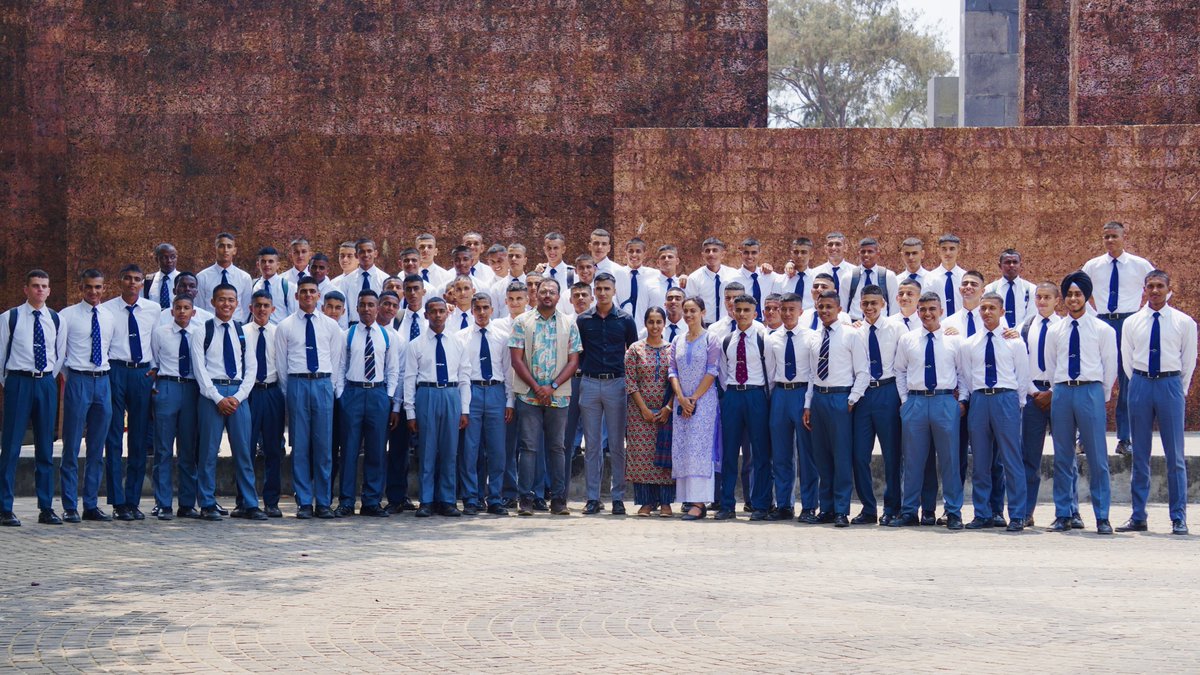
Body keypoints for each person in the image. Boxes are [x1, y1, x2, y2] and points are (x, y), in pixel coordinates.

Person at [1117, 270, 1195, 535]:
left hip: (1170, 384)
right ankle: (1138, 515)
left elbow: (1189, 360)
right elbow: (1127, 359)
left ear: (1168, 288)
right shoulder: (1132, 322)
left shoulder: (1184, 322)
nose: (1155, 291)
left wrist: (1176, 389)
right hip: (1140, 384)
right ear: (1144, 289)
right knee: (1140, 454)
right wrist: (1140, 382)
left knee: (1175, 456)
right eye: (1150, 286)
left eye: (1160, 286)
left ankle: (1178, 517)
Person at [1043, 271, 1117, 535]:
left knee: (1097, 457)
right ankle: (1063, 513)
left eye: (1078, 293)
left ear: (1087, 296)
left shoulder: (1102, 329)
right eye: (1070, 294)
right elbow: (1051, 365)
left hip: (1090, 391)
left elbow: (1110, 366)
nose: (1073, 298)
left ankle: (1102, 516)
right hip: (1063, 391)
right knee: (1062, 455)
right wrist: (1059, 387)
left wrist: (1100, 394)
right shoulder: (1055, 330)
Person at [889, 292, 967, 530]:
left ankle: (953, 512)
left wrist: (961, 400)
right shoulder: (908, 340)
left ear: (941, 311)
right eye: (922, 310)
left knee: (950, 460)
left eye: (932, 309)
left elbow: (963, 373)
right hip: (916, 402)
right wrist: (904, 401)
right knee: (913, 460)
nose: (927, 314)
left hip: (944, 402)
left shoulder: (954, 340)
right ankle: (910, 510)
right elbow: (899, 371)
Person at [1081, 221, 1155, 457]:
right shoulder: (1093, 266)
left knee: (1127, 381)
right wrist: (1094, 317)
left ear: (1124, 237)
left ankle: (1125, 438)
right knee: (1092, 377)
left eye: (1114, 236)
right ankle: (1085, 438)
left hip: (1129, 322)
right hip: (1102, 322)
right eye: (1106, 237)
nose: (1110, 241)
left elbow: (1159, 288)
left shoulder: (1139, 264)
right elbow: (1078, 290)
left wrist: (1141, 316)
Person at [192, 284, 265, 521]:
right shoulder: (202, 330)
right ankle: (207, 502)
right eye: (222, 300)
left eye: (231, 300)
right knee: (208, 451)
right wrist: (217, 397)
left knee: (244, 451)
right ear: (213, 302)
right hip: (211, 394)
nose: (226, 304)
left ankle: (249, 503)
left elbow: (251, 367)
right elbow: (199, 369)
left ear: (237, 304)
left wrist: (238, 396)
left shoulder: (242, 331)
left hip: (237, 394)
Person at [509, 278, 580, 516]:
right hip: (528, 396)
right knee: (528, 447)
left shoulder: (569, 323)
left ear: (559, 296)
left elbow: (574, 361)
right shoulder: (522, 322)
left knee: (557, 448)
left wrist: (552, 386)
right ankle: (526, 500)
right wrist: (537, 387)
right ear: (535, 294)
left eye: (552, 291)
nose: (547, 295)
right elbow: (516, 359)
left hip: (558, 396)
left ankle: (559, 500)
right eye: (543, 291)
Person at [960, 292, 1030, 531]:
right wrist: (978, 395)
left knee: (1011, 459)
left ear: (1002, 312)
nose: (987, 312)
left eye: (992, 308)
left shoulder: (1014, 342)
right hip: (980, 400)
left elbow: (1022, 375)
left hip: (1006, 398)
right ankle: (983, 513)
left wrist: (1017, 402)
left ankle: (1018, 514)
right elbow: (967, 376)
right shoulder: (970, 344)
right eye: (983, 308)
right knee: (980, 461)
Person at [276, 277, 344, 519]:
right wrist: (290, 391)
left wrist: (330, 387)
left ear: (318, 296)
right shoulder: (285, 326)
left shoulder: (330, 326)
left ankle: (323, 501)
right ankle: (304, 501)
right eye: (303, 291)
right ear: (296, 296)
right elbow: (281, 364)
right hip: (297, 384)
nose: (307, 295)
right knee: (301, 446)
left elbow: (336, 360)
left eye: (312, 292)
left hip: (323, 384)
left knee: (324, 447)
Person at [576, 272, 639, 515]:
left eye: (606, 289)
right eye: (599, 289)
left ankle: (618, 498)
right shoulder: (583, 320)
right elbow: (578, 352)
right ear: (594, 292)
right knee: (591, 445)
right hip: (590, 383)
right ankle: (592, 498)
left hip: (617, 384)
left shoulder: (625, 320)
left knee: (616, 444)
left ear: (614, 291)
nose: (602, 293)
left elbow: (633, 353)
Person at [804, 290, 867, 527]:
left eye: (829, 307)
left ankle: (841, 509)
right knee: (822, 456)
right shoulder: (814, 338)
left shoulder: (851, 336)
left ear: (839, 309)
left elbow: (862, 372)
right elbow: (812, 374)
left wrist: (851, 399)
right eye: (821, 307)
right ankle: (826, 508)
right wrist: (808, 404)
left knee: (841, 456)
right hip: (819, 398)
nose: (824, 311)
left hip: (841, 398)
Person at [335, 290, 401, 518]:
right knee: (349, 450)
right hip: (353, 393)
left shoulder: (387, 336)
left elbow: (393, 370)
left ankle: (371, 501)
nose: (367, 309)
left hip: (378, 395)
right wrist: (342, 396)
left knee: (376, 451)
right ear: (357, 307)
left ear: (378, 307)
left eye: (371, 305)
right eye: (362, 304)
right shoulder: (348, 334)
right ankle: (345, 501)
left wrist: (389, 398)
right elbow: (340, 368)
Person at [56, 270, 115, 524]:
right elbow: (58, 353)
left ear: (104, 288)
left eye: (98, 287)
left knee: (97, 446)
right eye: (89, 287)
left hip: (103, 381)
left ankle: (90, 503)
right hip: (78, 379)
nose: (94, 292)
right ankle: (70, 505)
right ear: (81, 288)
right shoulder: (67, 315)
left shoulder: (109, 317)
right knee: (71, 445)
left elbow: (109, 348)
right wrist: (71, 377)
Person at [403, 297, 471, 517]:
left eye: (442, 311)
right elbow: (409, 379)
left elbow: (464, 377)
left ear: (447, 313)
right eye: (433, 312)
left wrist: (464, 409)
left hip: (451, 394)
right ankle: (427, 500)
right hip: (427, 394)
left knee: (450, 450)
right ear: (426, 315)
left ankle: (447, 500)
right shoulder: (416, 344)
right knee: (428, 449)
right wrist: (410, 412)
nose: (438, 315)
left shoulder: (458, 343)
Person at [102, 264, 159, 521]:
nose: (132, 283)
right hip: (116, 370)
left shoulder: (153, 310)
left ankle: (133, 501)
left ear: (141, 284)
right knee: (113, 437)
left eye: (137, 279)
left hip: (142, 374)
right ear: (120, 281)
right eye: (128, 278)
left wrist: (156, 369)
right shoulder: (107, 310)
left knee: (138, 439)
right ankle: (117, 501)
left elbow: (158, 341)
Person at [715, 295, 772, 520]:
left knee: (760, 452)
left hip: (756, 394)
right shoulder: (727, 340)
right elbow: (722, 371)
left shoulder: (763, 339)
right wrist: (729, 394)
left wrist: (760, 395)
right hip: (733, 396)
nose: (741, 314)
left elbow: (772, 371)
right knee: (729, 452)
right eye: (738, 310)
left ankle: (760, 504)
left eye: (746, 310)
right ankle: (727, 504)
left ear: (755, 313)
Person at [850, 285, 903, 525]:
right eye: (865, 303)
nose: (869, 308)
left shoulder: (896, 328)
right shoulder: (854, 331)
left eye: (874, 303)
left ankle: (892, 508)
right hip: (863, 396)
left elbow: (903, 365)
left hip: (888, 392)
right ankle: (868, 508)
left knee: (891, 454)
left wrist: (903, 399)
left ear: (883, 303)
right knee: (859, 454)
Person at [457, 292, 513, 516]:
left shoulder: (502, 336)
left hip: (496, 391)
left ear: (492, 309)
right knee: (470, 449)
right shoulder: (461, 337)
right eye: (477, 308)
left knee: (497, 449)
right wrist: (463, 405)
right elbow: (461, 372)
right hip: (472, 390)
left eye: (485, 308)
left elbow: (509, 370)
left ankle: (495, 498)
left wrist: (510, 401)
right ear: (471, 310)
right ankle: (472, 497)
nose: (481, 312)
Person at [149, 295, 203, 520]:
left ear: (193, 312)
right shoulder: (161, 333)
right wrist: (155, 386)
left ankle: (187, 503)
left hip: (191, 389)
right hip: (167, 386)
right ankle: (162, 503)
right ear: (171, 311)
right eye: (178, 308)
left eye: (186, 308)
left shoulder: (200, 333)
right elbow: (153, 361)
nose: (182, 312)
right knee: (163, 448)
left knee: (188, 449)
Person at [669, 297, 721, 521]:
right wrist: (681, 398)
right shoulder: (677, 340)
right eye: (686, 311)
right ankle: (688, 499)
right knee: (684, 448)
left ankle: (700, 503)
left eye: (693, 311)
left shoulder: (711, 339)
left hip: (705, 402)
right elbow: (672, 371)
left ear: (703, 312)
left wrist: (694, 398)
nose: (689, 315)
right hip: (682, 403)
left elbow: (712, 370)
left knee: (699, 449)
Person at [765, 292, 815, 521]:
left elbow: (815, 372)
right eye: (782, 310)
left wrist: (809, 402)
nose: (785, 314)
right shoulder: (773, 338)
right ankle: (784, 504)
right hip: (781, 395)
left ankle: (809, 505)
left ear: (800, 311)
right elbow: (770, 372)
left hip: (802, 393)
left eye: (791, 310)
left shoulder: (811, 337)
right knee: (781, 453)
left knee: (807, 454)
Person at [1019, 282, 1064, 527]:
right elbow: (1019, 363)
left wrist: (1054, 391)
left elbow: (1069, 362)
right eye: (1039, 297)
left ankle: (1069, 511)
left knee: (1065, 456)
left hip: (1060, 394)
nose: (1042, 302)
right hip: (1032, 394)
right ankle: (1026, 510)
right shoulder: (1025, 327)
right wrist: (1034, 392)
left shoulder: (1065, 326)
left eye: (1047, 297)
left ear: (1057, 300)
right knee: (1029, 456)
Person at [624, 306, 676, 517]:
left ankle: (666, 503)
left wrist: (668, 407)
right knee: (642, 456)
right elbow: (630, 381)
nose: (655, 326)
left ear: (664, 324)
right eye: (651, 322)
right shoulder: (635, 349)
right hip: (639, 413)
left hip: (666, 413)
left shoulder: (672, 349)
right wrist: (643, 409)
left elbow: (677, 381)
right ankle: (645, 503)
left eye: (658, 322)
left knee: (664, 457)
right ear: (645, 324)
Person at [244, 290, 285, 518]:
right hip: (249, 394)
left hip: (272, 392)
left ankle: (271, 501)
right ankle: (245, 500)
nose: (261, 309)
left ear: (273, 309)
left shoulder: (279, 333)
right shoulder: (241, 333)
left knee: (273, 449)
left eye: (266, 305)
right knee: (246, 448)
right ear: (251, 308)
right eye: (257, 305)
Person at [195, 232, 253, 322]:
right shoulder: (202, 277)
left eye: (229, 246)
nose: (225, 250)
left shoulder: (244, 278)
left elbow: (246, 309)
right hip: (210, 326)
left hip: (236, 326)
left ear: (234, 250)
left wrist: (239, 327)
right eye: (221, 246)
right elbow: (200, 306)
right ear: (215, 249)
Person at [686, 237, 738, 325]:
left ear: (722, 254)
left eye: (715, 250)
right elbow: (690, 306)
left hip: (729, 324)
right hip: (704, 325)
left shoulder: (734, 275)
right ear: (703, 255)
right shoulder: (694, 278)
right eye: (707, 251)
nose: (711, 254)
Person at [617, 237, 664, 331]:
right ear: (625, 253)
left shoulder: (655, 274)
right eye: (630, 251)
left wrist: (684, 278)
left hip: (646, 329)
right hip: (621, 328)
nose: (634, 254)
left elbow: (671, 281)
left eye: (638, 251)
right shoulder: (617, 274)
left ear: (644, 254)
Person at [340, 238, 390, 324]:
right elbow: (343, 308)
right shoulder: (347, 280)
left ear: (375, 253)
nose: (366, 254)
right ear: (356, 255)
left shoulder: (385, 279)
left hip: (378, 326)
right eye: (362, 252)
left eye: (369, 251)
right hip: (354, 325)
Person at [847, 238, 897, 320]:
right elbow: (843, 307)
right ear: (859, 253)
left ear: (878, 254)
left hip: (882, 325)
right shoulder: (849, 277)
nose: (866, 255)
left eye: (870, 251)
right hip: (856, 325)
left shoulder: (888, 276)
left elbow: (894, 307)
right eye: (863, 252)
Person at [984, 249, 1036, 329]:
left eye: (1015, 262)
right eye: (1007, 262)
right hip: (998, 334)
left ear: (1020, 265)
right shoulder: (990, 290)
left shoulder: (1031, 289)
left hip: (1023, 335)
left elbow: (1031, 315)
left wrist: (1017, 332)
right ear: (999, 265)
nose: (1011, 265)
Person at [731, 238, 778, 319]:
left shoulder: (769, 276)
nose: (750, 256)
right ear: (740, 254)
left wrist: (790, 264)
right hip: (743, 323)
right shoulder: (733, 278)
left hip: (766, 324)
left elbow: (786, 278)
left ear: (760, 254)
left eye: (754, 253)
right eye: (746, 253)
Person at [923, 234, 966, 318]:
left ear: (958, 251)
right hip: (937, 325)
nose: (948, 253)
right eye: (944, 249)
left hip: (961, 325)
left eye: (952, 249)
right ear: (938, 251)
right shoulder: (929, 278)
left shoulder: (965, 277)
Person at [811, 232, 855, 308]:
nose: (833, 248)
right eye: (830, 245)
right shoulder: (815, 272)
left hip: (848, 318)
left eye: (838, 244)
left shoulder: (855, 272)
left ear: (845, 248)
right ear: (825, 249)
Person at [251, 246, 292, 324]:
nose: (267, 264)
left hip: (279, 332)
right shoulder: (254, 286)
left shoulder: (287, 286)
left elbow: (293, 314)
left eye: (270, 261)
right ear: (258, 264)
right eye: (263, 261)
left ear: (278, 265)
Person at [541, 232, 576, 315]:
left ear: (563, 249)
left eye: (556, 248)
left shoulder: (572, 274)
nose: (552, 251)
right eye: (549, 248)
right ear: (544, 249)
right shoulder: (540, 274)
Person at [775, 237, 814, 309]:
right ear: (791, 254)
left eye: (803, 252)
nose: (799, 256)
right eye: (796, 252)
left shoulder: (816, 279)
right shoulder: (781, 280)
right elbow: (776, 304)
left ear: (811, 255)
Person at [143, 243, 179, 309]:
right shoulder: (148, 281)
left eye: (173, 257)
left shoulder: (183, 279)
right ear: (157, 260)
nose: (169, 261)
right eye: (164, 257)